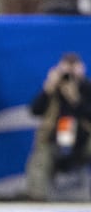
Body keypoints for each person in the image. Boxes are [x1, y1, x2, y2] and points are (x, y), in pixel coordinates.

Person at [25, 52, 91, 201]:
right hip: (55, 136)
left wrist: (76, 99)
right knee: (41, 156)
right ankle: (37, 197)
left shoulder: (87, 87)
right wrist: (48, 89)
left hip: (84, 137)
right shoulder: (53, 88)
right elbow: (35, 110)